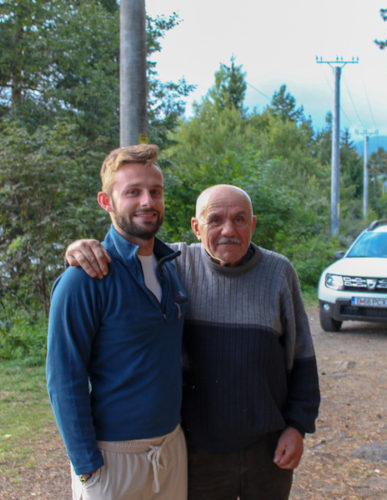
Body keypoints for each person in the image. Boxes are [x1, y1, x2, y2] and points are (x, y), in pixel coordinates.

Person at [66, 184, 321, 500]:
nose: (229, 230)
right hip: (196, 451)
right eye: (215, 220)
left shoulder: (279, 271)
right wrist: (82, 248)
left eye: (240, 219)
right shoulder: (173, 265)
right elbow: (126, 252)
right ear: (196, 228)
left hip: (267, 448)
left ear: (253, 225)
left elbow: (302, 358)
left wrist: (297, 427)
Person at [47, 144, 188, 500]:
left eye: (155, 191)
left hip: (171, 449)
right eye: (132, 192)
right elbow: (64, 377)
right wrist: (85, 466)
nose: (147, 201)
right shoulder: (84, 279)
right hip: (112, 459)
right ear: (106, 201)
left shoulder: (171, 267)